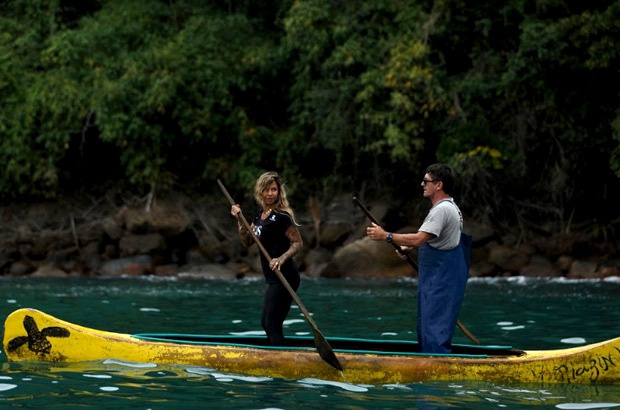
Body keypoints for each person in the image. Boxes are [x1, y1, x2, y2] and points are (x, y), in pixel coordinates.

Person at [366, 163, 471, 353]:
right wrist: (409, 248)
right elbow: (434, 241)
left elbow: (419, 238)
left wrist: (386, 236)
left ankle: (436, 371)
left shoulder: (441, 210)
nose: (422, 184)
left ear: (438, 185)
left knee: (434, 331)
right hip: (441, 279)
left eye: (426, 181)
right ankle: (431, 362)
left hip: (441, 281)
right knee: (429, 328)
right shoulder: (450, 207)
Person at [230, 171, 304, 346]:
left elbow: (298, 243)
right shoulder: (259, 215)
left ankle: (281, 360)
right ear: (260, 192)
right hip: (272, 278)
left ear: (279, 192)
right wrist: (240, 220)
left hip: (285, 275)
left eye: (274, 190)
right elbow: (247, 241)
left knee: (270, 323)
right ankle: (276, 354)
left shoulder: (282, 217)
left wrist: (281, 258)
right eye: (267, 190)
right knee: (269, 323)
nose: (270, 193)